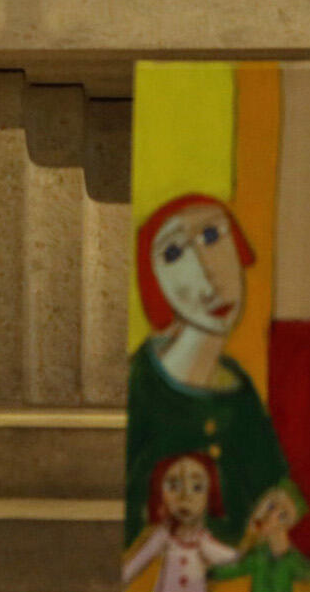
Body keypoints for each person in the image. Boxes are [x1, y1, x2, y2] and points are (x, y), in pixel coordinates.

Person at [125, 194, 298, 547]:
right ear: (151, 277)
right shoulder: (139, 385)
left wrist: (282, 504)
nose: (208, 275)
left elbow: (274, 480)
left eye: (212, 236)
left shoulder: (238, 388)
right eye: (173, 254)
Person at [121, 452, 237, 591]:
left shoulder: (202, 541)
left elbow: (231, 560)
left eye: (197, 487)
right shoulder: (163, 536)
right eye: (173, 486)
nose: (185, 497)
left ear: (210, 494)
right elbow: (134, 566)